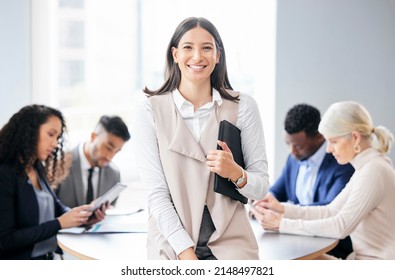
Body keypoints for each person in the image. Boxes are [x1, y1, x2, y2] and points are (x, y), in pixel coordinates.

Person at [134, 17, 269, 260]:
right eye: (188, 47)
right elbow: (156, 193)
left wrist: (236, 173)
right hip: (172, 242)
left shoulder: (244, 107)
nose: (197, 57)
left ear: (218, 55)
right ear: (175, 54)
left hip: (232, 243)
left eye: (207, 48)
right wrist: (186, 253)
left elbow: (260, 188)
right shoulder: (150, 111)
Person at [251, 101, 395, 260]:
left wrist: (282, 224)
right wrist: (281, 208)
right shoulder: (367, 168)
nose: (328, 149)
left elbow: (341, 226)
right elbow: (330, 211)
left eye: (333, 141)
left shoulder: (373, 171)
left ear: (355, 137)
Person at [0, 104, 107, 260]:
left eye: (57, 137)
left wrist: (84, 216)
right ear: (29, 131)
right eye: (51, 134)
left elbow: (57, 208)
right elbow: (6, 240)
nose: (55, 144)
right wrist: (59, 223)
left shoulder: (37, 168)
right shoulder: (5, 175)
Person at [267, 103, 354, 259]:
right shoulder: (293, 158)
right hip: (296, 238)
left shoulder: (342, 164)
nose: (292, 151)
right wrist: (263, 204)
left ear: (319, 136)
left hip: (330, 246)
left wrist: (283, 212)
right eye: (288, 143)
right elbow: (276, 192)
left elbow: (330, 209)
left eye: (298, 146)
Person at [56, 115, 130, 208]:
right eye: (108, 148)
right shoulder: (60, 164)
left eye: (116, 152)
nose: (110, 157)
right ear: (93, 136)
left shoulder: (113, 175)